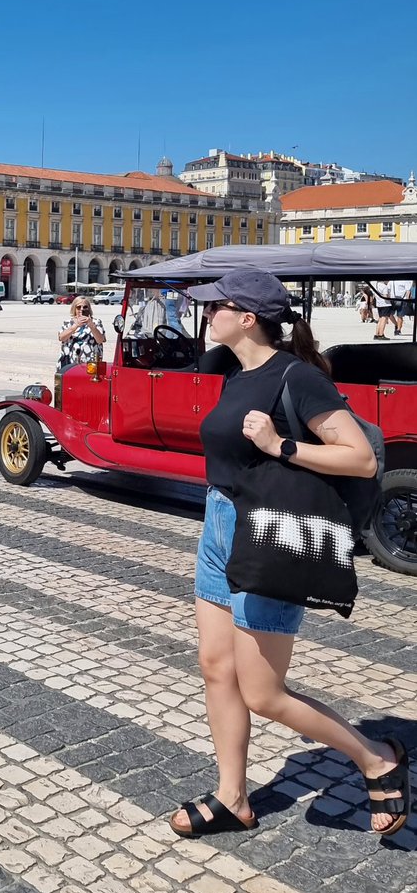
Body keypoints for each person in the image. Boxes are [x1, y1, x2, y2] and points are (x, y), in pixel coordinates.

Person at [170, 269, 408, 840]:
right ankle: (233, 797)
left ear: (247, 317)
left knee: (263, 691)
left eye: (216, 306)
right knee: (215, 668)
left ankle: (376, 757)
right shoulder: (234, 374)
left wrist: (281, 445)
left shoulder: (298, 378)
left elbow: (361, 459)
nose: (207, 315)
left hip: (272, 533)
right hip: (221, 525)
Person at [57, 297, 105, 367]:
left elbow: (100, 340)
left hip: (90, 363)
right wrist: (75, 326)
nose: (82, 309)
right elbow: (61, 337)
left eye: (85, 307)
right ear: (74, 309)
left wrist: (91, 325)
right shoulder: (68, 323)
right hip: (70, 362)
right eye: (79, 307)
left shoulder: (96, 322)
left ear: (89, 309)